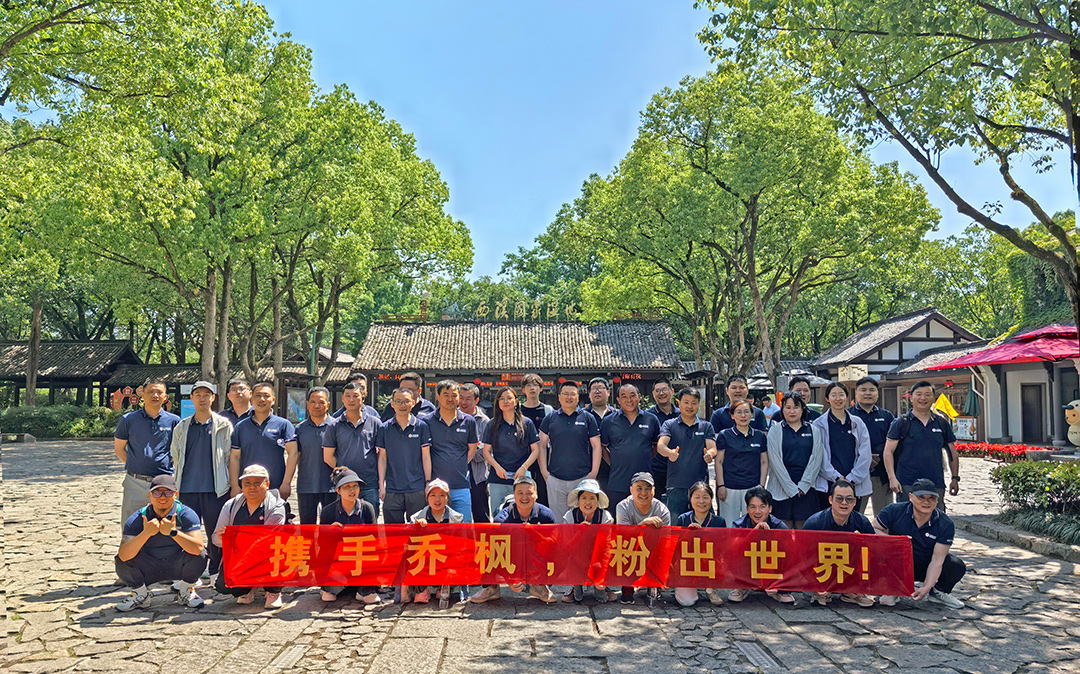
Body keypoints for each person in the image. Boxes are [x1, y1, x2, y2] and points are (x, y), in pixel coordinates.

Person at [169, 380, 232, 580]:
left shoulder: (224, 425)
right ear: (192, 398)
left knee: (216, 532)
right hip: (187, 488)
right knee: (188, 532)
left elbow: (230, 456)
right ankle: (191, 572)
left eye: (206, 395)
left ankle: (215, 570)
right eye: (198, 395)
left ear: (213, 398)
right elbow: (175, 454)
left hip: (216, 489)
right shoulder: (182, 426)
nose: (202, 399)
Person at [115, 475, 207, 611]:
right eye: (157, 493)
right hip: (148, 566)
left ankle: (186, 591)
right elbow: (123, 555)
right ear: (150, 495)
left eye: (168, 493)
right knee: (121, 559)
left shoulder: (186, 514)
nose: (162, 497)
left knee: (201, 554)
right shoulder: (137, 518)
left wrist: (173, 532)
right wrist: (146, 533)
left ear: (175, 494)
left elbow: (198, 548)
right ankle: (140, 595)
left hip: (178, 565)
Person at [874, 479, 967, 609]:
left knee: (956, 565)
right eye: (921, 497)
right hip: (897, 562)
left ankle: (938, 592)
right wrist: (894, 541)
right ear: (911, 497)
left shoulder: (945, 523)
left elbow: (937, 560)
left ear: (937, 500)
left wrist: (926, 587)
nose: (926, 502)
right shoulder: (894, 510)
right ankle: (894, 587)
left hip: (925, 563)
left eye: (931, 498)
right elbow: (873, 529)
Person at [470, 475, 557, 604]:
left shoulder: (547, 516)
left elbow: (553, 545)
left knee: (555, 549)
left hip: (534, 554)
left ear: (536, 495)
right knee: (486, 548)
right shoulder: (502, 519)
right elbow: (498, 550)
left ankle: (539, 585)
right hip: (510, 554)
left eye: (529, 493)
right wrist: (509, 578)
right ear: (514, 495)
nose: (524, 497)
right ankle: (491, 587)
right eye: (520, 493)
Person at [212, 465, 289, 609]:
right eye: (247, 483)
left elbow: (268, 541)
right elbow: (215, 540)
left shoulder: (277, 507)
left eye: (257, 483)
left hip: (268, 555)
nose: (252, 487)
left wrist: (235, 539)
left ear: (267, 484)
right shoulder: (231, 505)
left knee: (278, 552)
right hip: (241, 556)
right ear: (242, 486)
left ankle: (273, 591)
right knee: (223, 586)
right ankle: (248, 588)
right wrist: (221, 537)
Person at [114, 378, 181, 530]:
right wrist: (136, 464)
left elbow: (179, 451)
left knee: (166, 527)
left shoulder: (174, 421)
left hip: (164, 484)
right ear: (142, 395)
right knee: (131, 527)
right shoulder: (128, 420)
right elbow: (119, 449)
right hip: (135, 483)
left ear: (165, 397)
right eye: (151, 392)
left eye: (159, 392)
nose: (155, 395)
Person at [883, 381, 960, 510]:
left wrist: (955, 478)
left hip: (935, 482)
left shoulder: (941, 423)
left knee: (936, 517)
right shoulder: (901, 423)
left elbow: (952, 452)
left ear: (933, 398)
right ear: (911, 398)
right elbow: (888, 452)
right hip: (907, 483)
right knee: (906, 517)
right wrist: (892, 478)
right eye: (918, 394)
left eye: (927, 395)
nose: (923, 398)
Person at [803, 479, 876, 607]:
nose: (844, 503)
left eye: (849, 499)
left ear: (855, 502)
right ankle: (820, 589)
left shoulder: (863, 523)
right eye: (839, 499)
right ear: (830, 500)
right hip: (823, 569)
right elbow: (802, 556)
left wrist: (863, 543)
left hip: (850, 569)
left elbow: (875, 552)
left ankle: (853, 590)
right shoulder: (815, 523)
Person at [538, 381, 602, 522]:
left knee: (581, 520)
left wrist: (593, 473)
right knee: (558, 521)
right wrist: (544, 472)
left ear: (578, 397)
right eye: (565, 394)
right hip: (555, 478)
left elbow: (596, 446)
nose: (569, 397)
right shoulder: (550, 418)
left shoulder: (587, 418)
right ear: (559, 397)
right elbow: (541, 445)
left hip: (582, 478)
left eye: (573, 394)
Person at [319, 467, 381, 605]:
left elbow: (374, 540)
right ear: (338, 491)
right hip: (339, 559)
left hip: (361, 558)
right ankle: (336, 587)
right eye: (347, 487)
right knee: (329, 597)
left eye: (355, 486)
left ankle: (364, 590)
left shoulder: (367, 508)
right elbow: (321, 544)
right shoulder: (328, 512)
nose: (352, 490)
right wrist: (330, 532)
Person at [229, 382, 298, 502]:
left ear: (273, 400)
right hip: (247, 487)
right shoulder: (241, 426)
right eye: (258, 396)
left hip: (275, 487)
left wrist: (286, 483)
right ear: (251, 398)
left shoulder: (283, 425)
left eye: (266, 396)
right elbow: (235, 457)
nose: (262, 399)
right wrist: (235, 485)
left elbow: (293, 453)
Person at [420, 380, 479, 522]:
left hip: (461, 485)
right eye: (446, 395)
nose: (450, 399)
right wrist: (428, 481)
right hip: (436, 487)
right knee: (436, 528)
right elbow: (425, 454)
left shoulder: (469, 421)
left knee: (463, 527)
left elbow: (472, 448)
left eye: (454, 395)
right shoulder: (427, 421)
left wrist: (459, 464)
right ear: (438, 397)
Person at [765, 393, 824, 529]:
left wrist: (804, 485)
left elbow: (816, 459)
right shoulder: (775, 430)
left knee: (804, 532)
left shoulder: (813, 430)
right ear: (782, 410)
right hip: (781, 488)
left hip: (806, 489)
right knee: (782, 531)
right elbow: (775, 461)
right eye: (788, 407)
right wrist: (790, 488)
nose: (792, 411)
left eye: (796, 407)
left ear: (803, 409)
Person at [323, 381, 382, 517]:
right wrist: (344, 472)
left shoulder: (375, 423)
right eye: (347, 396)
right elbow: (328, 456)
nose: (351, 400)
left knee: (370, 521)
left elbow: (382, 455)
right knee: (345, 520)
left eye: (355, 396)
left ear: (363, 398)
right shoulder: (334, 426)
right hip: (345, 484)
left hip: (369, 483)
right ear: (342, 399)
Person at [600, 384, 661, 516]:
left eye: (633, 395)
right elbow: (602, 447)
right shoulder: (608, 421)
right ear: (618, 400)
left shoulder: (651, 419)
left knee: (645, 520)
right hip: (618, 481)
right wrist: (613, 462)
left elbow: (658, 445)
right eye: (624, 396)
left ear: (639, 397)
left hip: (644, 483)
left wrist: (645, 457)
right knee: (618, 520)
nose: (629, 400)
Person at [657, 388, 718, 518]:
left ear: (699, 404)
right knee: (675, 525)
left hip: (700, 486)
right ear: (679, 403)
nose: (690, 406)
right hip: (676, 486)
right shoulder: (669, 424)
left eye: (694, 403)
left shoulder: (706, 426)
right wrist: (669, 453)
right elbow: (661, 446)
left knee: (704, 524)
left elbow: (712, 448)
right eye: (686, 402)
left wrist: (710, 454)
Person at [812, 382, 872, 511]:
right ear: (827, 398)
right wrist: (836, 478)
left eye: (841, 394)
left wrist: (851, 479)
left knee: (852, 519)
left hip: (854, 484)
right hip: (828, 484)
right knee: (827, 520)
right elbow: (819, 456)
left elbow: (865, 455)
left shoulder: (857, 423)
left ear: (847, 397)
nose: (838, 399)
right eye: (833, 395)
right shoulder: (818, 424)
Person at [376, 387, 433, 523]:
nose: (403, 405)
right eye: (398, 401)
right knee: (393, 530)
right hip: (392, 488)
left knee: (417, 528)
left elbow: (426, 457)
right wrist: (381, 485)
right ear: (392, 404)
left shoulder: (421, 426)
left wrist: (428, 483)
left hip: (416, 487)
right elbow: (382, 458)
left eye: (406, 401)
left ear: (413, 403)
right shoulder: (384, 428)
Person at [728, 487, 793, 604]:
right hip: (748, 567)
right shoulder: (739, 525)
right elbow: (733, 549)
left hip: (771, 567)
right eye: (752, 507)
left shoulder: (779, 526)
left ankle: (780, 590)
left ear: (770, 509)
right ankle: (741, 588)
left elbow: (790, 554)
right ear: (747, 509)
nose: (757, 511)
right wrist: (753, 534)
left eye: (762, 507)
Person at [484, 386, 541, 515]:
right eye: (502, 399)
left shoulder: (527, 423)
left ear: (516, 401)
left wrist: (524, 467)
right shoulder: (492, 424)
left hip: (521, 477)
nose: (505, 401)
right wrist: (497, 467)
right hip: (498, 478)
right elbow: (486, 451)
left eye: (509, 398)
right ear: (497, 403)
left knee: (524, 513)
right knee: (498, 514)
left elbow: (535, 450)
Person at [614, 472, 670, 605]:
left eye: (648, 488)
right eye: (639, 488)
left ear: (653, 491)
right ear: (631, 490)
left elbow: (666, 542)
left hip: (653, 548)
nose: (643, 493)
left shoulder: (662, 510)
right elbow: (624, 536)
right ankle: (627, 588)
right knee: (621, 548)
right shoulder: (622, 507)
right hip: (630, 547)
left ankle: (654, 584)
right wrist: (643, 524)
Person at [408, 478, 465, 607]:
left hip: (446, 557)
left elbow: (461, 545)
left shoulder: (456, 518)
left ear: (447, 498)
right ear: (427, 498)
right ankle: (421, 589)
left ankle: (444, 587)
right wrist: (417, 528)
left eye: (442, 495)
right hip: (425, 558)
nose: (437, 499)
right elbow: (408, 544)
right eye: (433, 495)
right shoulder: (417, 517)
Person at [561, 478, 617, 603]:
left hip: (599, 554)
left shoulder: (605, 517)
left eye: (592, 498)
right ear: (578, 500)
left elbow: (607, 546)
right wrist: (580, 532)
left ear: (597, 501)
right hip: (576, 555)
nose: (588, 502)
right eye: (584, 498)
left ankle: (602, 585)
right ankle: (575, 585)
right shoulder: (570, 516)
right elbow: (565, 545)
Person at [714, 400, 768, 527]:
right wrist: (721, 485)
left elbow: (764, 461)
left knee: (751, 525)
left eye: (746, 412)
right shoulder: (725, 435)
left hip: (752, 488)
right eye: (738, 412)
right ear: (732, 416)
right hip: (729, 488)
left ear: (752, 415)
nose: (743, 416)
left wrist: (761, 485)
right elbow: (719, 461)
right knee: (729, 525)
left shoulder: (759, 436)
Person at [850, 376, 896, 516]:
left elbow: (893, 444)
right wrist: (865, 458)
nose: (867, 393)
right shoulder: (848, 415)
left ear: (877, 393)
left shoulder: (887, 416)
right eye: (863, 390)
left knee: (884, 516)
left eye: (872, 390)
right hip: (855, 474)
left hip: (881, 475)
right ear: (856, 393)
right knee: (854, 515)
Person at [674, 481, 725, 607]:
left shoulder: (719, 521)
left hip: (709, 564)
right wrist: (688, 535)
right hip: (688, 566)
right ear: (690, 499)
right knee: (687, 601)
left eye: (705, 497)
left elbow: (723, 548)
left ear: (711, 500)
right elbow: (675, 548)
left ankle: (710, 589)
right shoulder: (683, 519)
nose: (701, 501)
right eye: (697, 497)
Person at [295, 387, 337, 525]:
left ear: (328, 404)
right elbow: (296, 456)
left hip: (331, 486)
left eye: (321, 402)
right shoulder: (299, 429)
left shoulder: (336, 426)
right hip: (306, 486)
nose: (317, 406)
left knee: (330, 529)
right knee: (307, 528)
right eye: (313, 402)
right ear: (307, 404)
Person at [519, 373, 554, 506]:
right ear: (523, 390)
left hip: (543, 456)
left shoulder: (548, 410)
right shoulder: (518, 410)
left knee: (543, 493)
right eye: (528, 385)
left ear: (541, 388)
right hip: (523, 456)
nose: (532, 388)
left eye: (535, 385)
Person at [459, 383, 492, 523]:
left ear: (476, 400)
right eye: (461, 398)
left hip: (477, 476)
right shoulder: (453, 417)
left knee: (481, 516)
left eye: (468, 399)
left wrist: (462, 454)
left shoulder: (484, 422)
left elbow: (484, 453)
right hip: (456, 474)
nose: (463, 402)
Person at [646, 379, 680, 500]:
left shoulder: (682, 414)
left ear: (672, 391)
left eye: (664, 389)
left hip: (679, 469)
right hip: (655, 470)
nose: (661, 393)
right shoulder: (647, 416)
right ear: (653, 394)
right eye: (657, 391)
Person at [584, 377, 618, 492]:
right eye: (594, 389)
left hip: (614, 470)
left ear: (608, 392)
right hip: (587, 469)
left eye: (601, 388)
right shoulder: (582, 416)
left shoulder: (618, 415)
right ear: (589, 394)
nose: (597, 391)